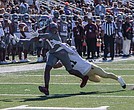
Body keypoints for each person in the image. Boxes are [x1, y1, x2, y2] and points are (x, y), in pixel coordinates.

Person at [46, 41, 126, 92]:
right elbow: (56, 66)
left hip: (90, 67)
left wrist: (61, 44)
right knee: (98, 80)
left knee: (105, 75)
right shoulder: (64, 59)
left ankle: (119, 79)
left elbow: (69, 49)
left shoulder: (72, 52)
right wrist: (49, 60)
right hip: (85, 74)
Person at [37, 22, 89, 95]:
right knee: (47, 69)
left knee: (70, 70)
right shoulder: (49, 33)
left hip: (61, 53)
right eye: (53, 29)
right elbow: (40, 37)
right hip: (53, 53)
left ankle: (84, 77)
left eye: (55, 29)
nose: (54, 30)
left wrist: (38, 34)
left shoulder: (53, 34)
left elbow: (46, 35)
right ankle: (46, 88)